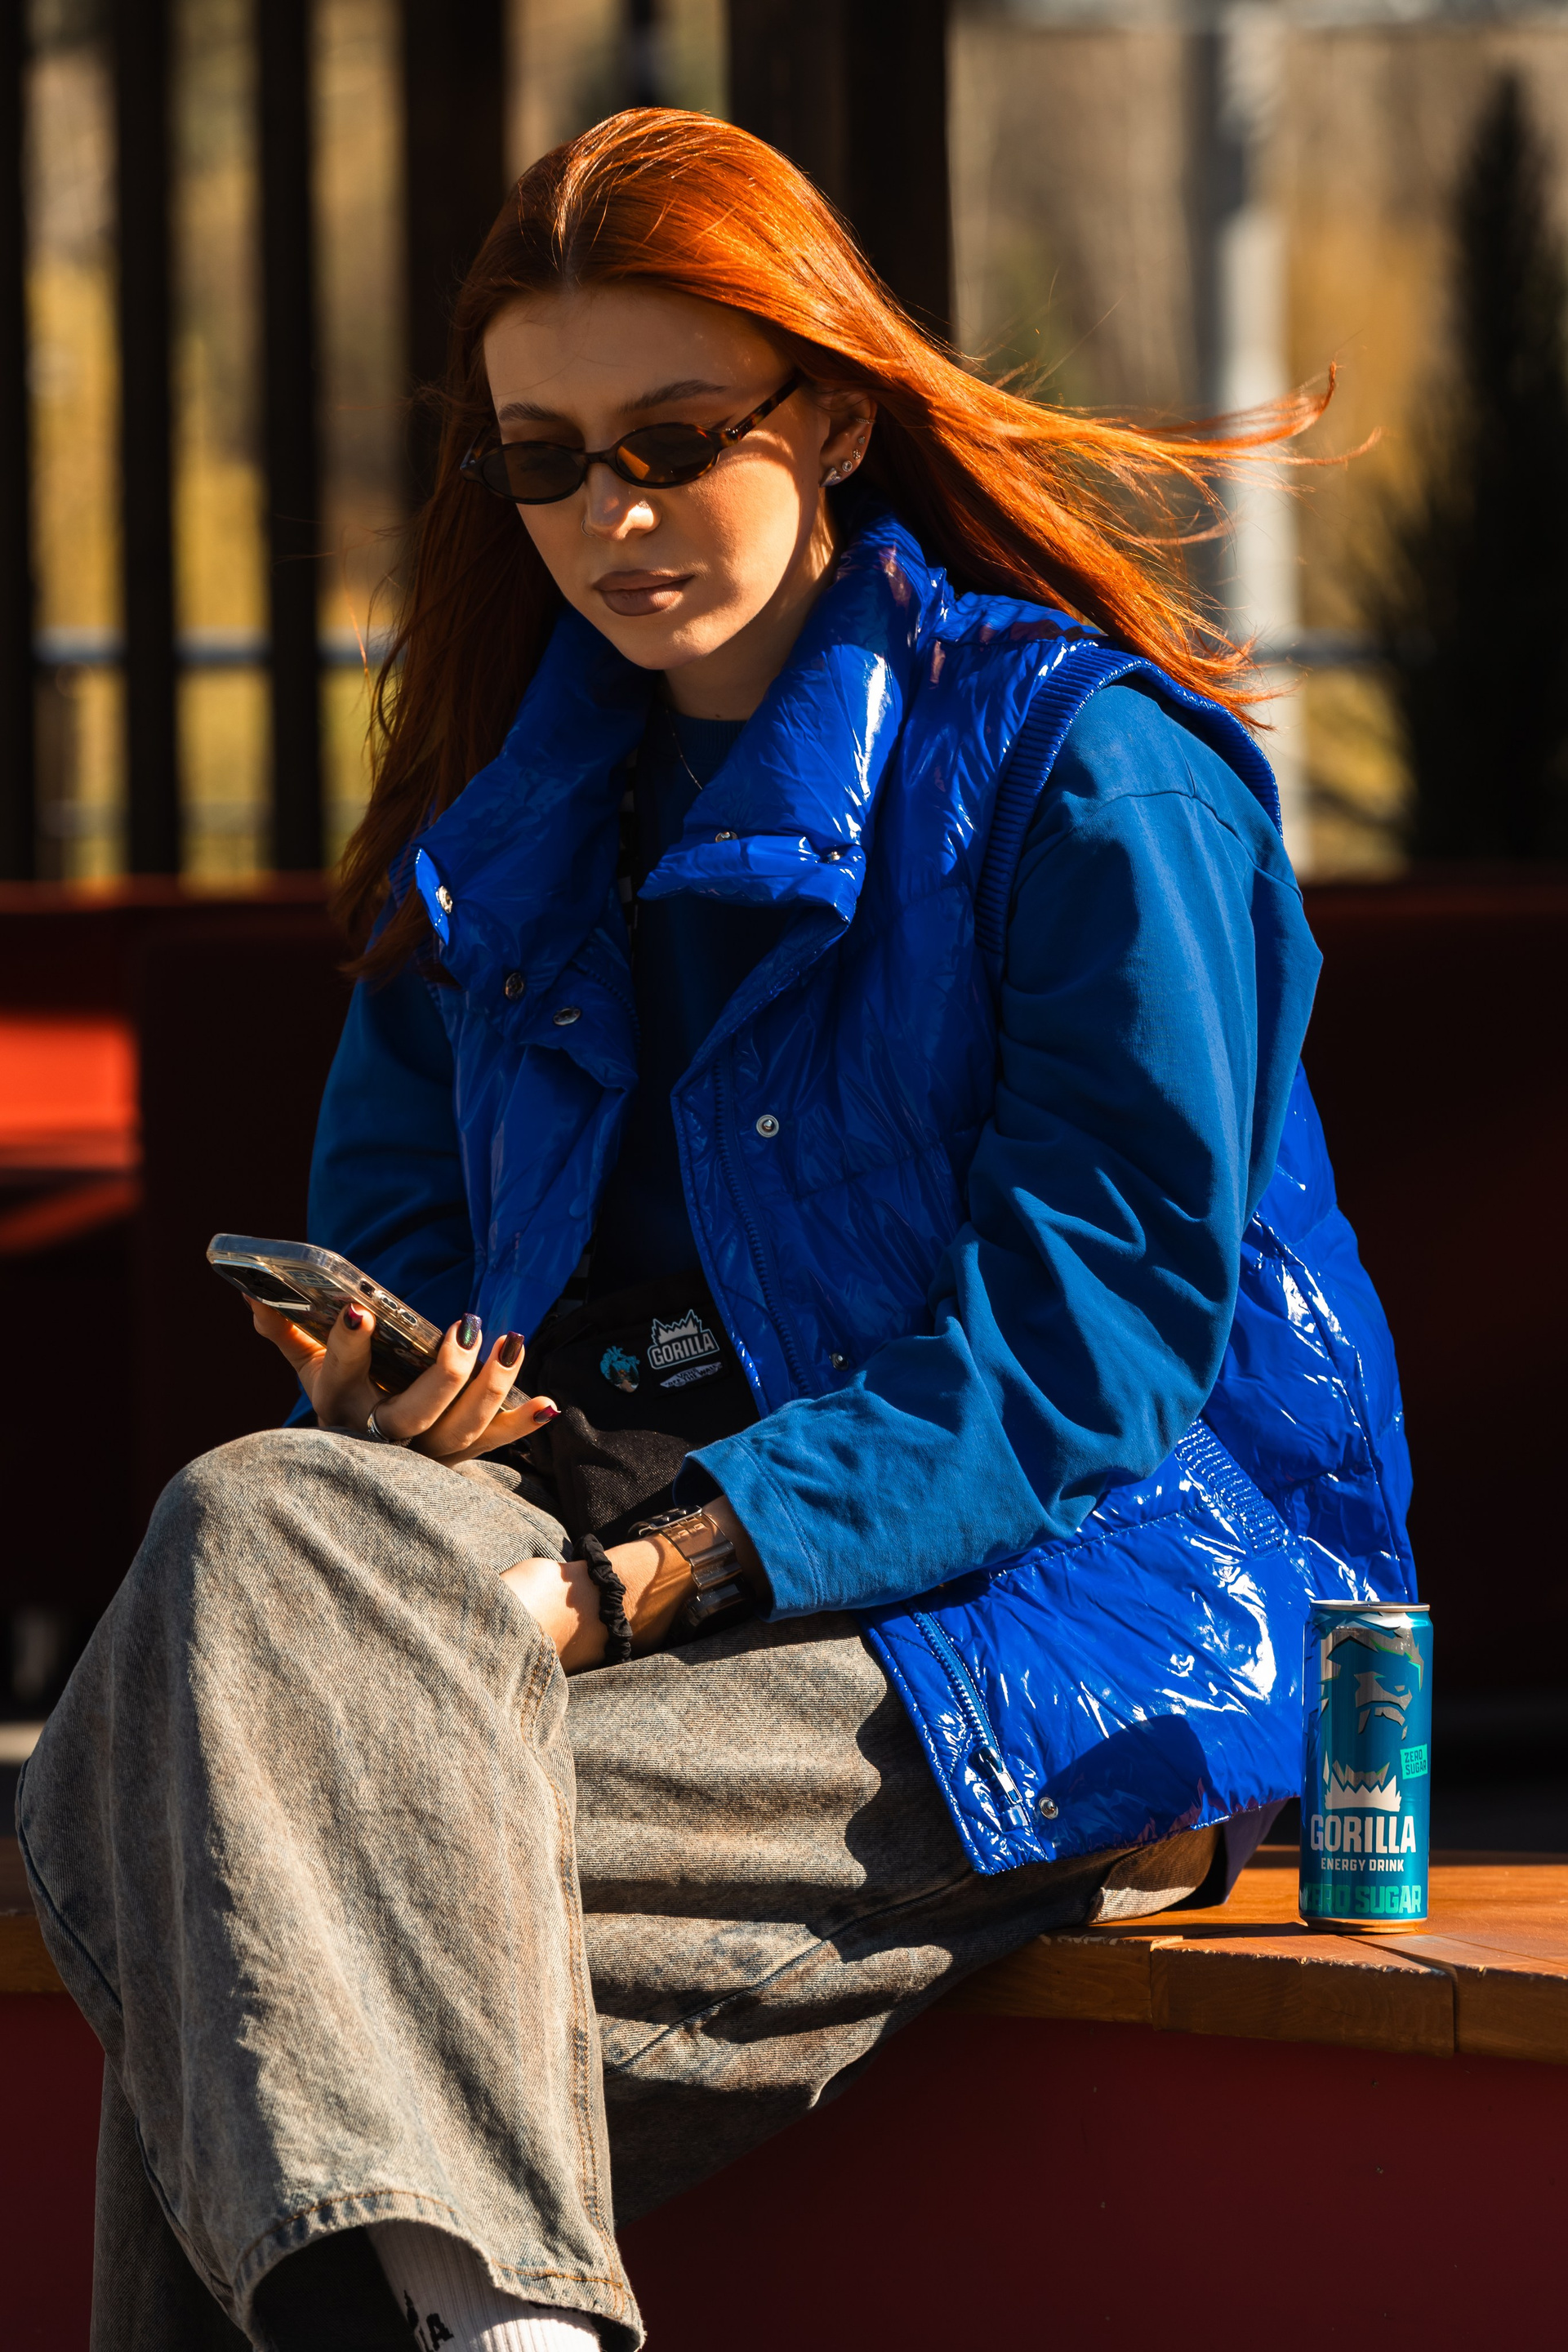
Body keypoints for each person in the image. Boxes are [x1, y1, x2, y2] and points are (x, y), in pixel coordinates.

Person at [18, 108, 1415, 2352]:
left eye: (676, 439)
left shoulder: (1088, 770)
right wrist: (420, 1398)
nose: (615, 515)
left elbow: (1089, 1339)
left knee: (216, 1833)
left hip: (1068, 1611)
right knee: (261, 1530)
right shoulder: (506, 818)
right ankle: (508, 2325)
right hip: (596, 1577)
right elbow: (410, 1236)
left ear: (836, 412)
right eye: (545, 462)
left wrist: (644, 1574)